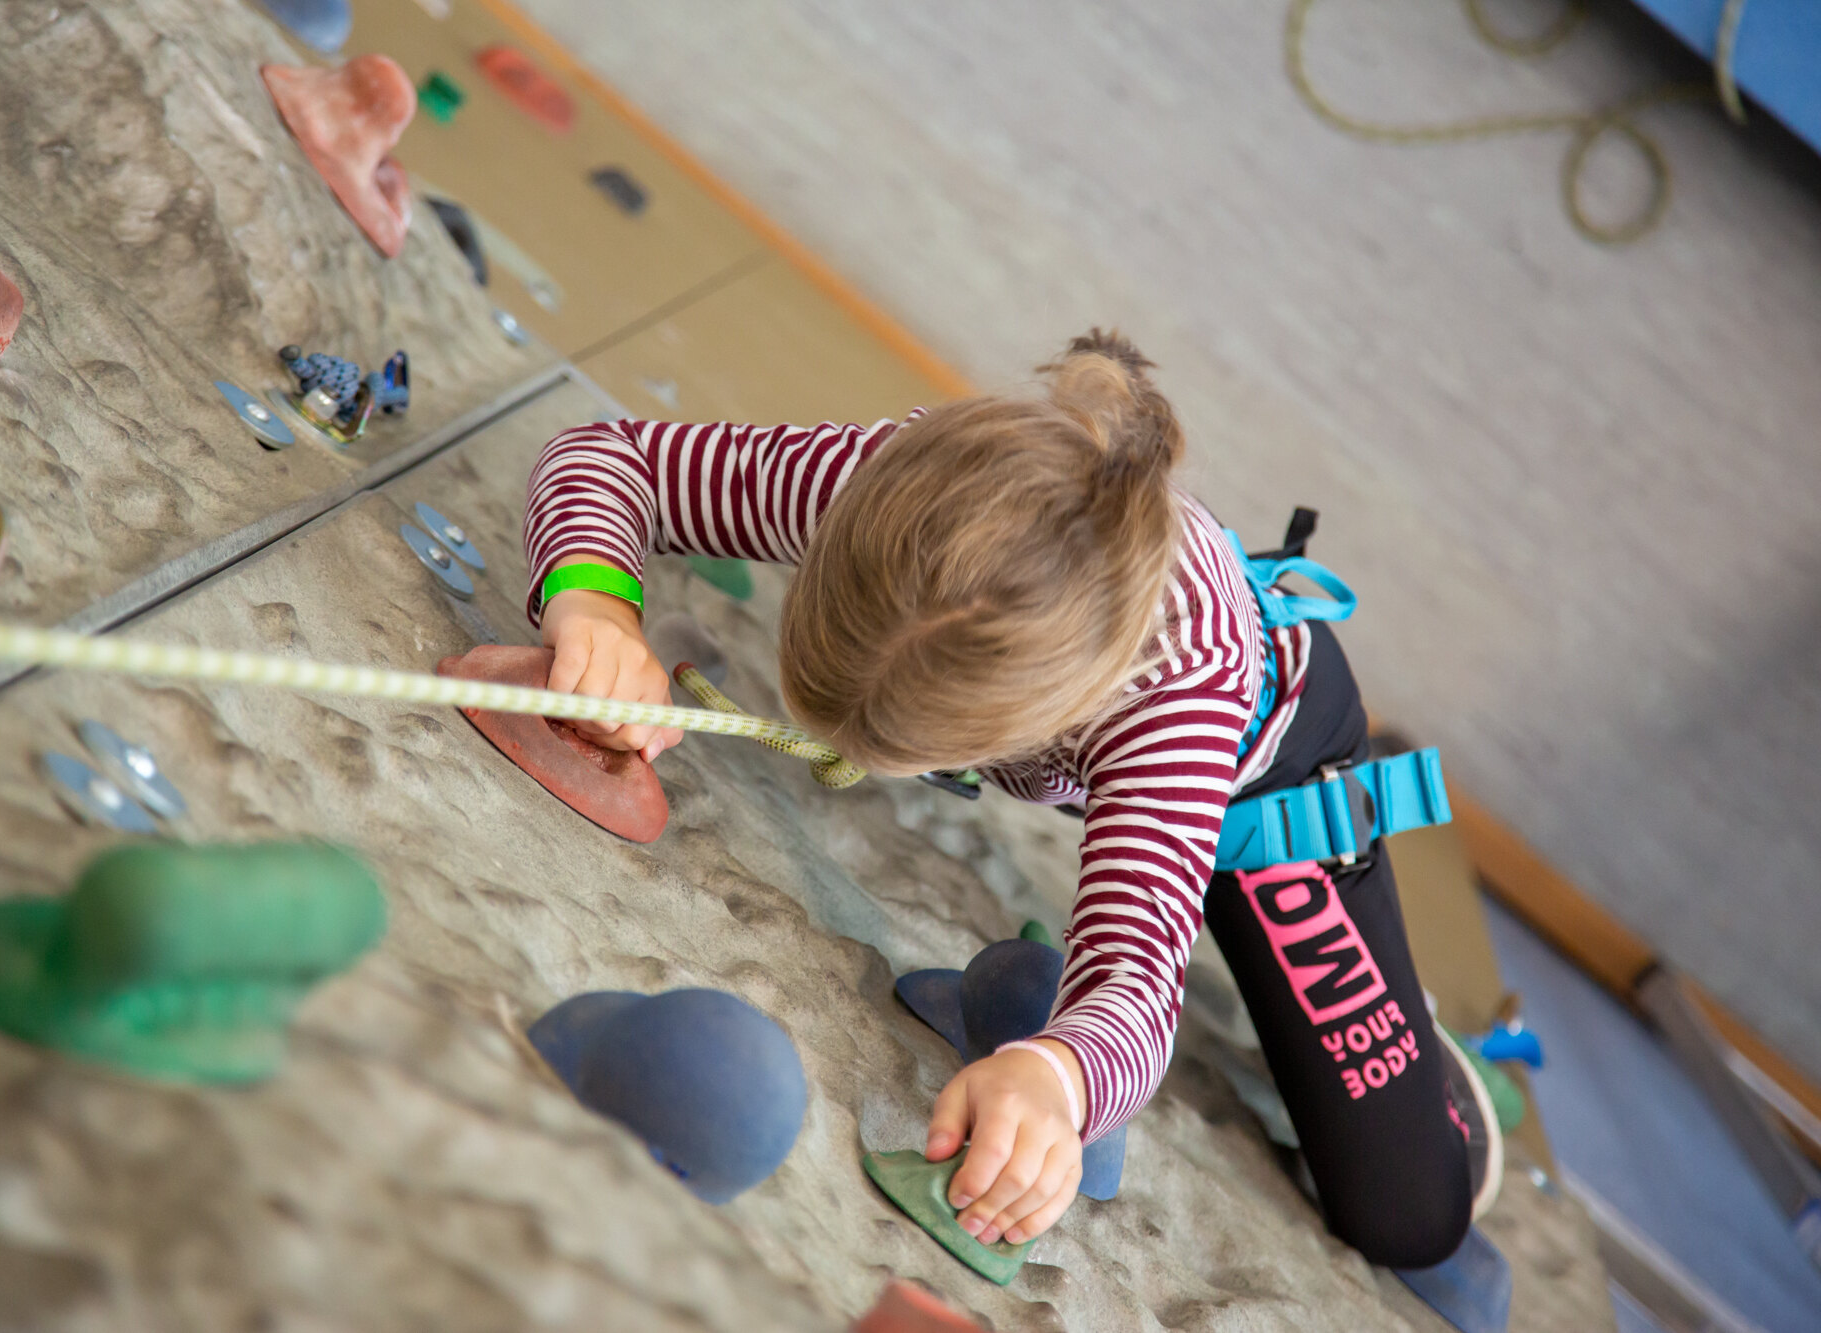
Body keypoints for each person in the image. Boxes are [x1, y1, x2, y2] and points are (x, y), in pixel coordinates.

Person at [522, 331, 1489, 1267]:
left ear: (1046, 726)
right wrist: (596, 603)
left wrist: (1058, 1072)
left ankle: (1426, 1032)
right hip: (1091, 692)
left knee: (1409, 1215)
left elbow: (1138, 980)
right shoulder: (898, 484)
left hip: (1263, 773)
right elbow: (611, 456)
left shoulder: (1169, 703)